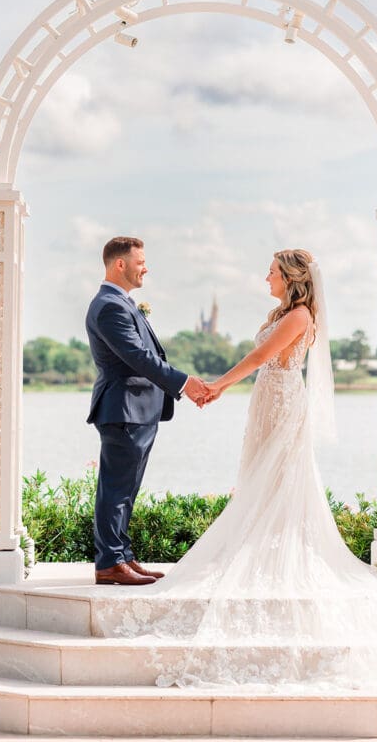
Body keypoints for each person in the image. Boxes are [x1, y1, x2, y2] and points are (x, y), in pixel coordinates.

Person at [93, 249, 377, 695]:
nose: (266, 277)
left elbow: (259, 358)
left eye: (272, 272)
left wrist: (215, 385)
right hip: (268, 401)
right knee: (262, 480)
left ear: (292, 278)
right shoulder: (282, 312)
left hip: (281, 403)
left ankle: (265, 556)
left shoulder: (298, 317)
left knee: (280, 481)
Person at [86, 236, 209, 586]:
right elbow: (137, 358)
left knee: (126, 488)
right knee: (116, 488)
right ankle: (109, 562)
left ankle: (121, 555)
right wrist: (185, 383)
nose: (146, 267)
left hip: (137, 409)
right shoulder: (110, 306)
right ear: (120, 264)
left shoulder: (120, 302)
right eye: (140, 261)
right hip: (124, 408)